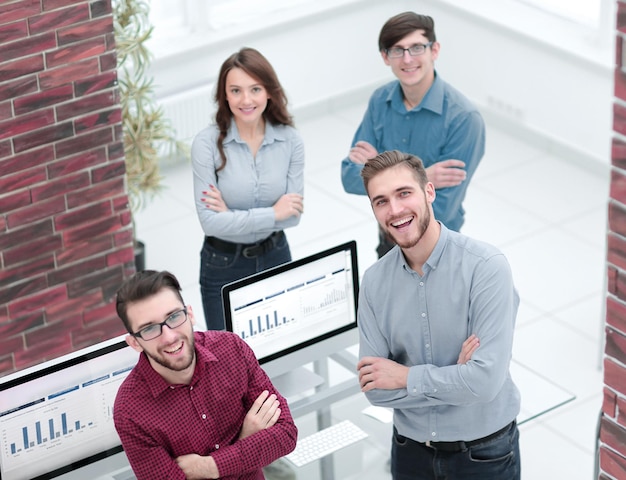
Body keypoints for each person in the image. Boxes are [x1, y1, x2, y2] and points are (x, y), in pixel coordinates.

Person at [356, 151, 521, 479]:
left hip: (483, 455)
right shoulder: (374, 282)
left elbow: (484, 384)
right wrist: (457, 378)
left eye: (404, 193)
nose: (396, 210)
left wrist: (404, 377)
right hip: (410, 453)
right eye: (381, 201)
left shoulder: (486, 268)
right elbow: (375, 389)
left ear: (429, 191)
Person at [113, 270, 297, 480]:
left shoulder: (231, 349)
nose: (169, 336)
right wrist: (245, 442)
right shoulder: (130, 411)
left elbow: (286, 434)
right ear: (135, 342)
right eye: (149, 329)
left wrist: (209, 467)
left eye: (174, 317)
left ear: (190, 314)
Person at [341, 12, 485, 258]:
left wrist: (379, 172)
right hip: (388, 244)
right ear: (386, 57)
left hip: (436, 249)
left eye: (417, 47)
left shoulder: (464, 119)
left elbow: (442, 208)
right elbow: (350, 177)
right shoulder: (380, 101)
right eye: (397, 50)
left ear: (434, 50)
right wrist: (423, 177)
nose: (407, 59)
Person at [192, 47, 304, 330]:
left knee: (283, 343)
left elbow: (292, 216)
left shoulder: (290, 141)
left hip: (276, 254)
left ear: (268, 91)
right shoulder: (206, 144)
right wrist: (272, 213)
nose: (246, 100)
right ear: (224, 95)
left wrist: (231, 214)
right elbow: (210, 223)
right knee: (228, 357)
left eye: (255, 89)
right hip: (223, 264)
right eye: (236, 91)